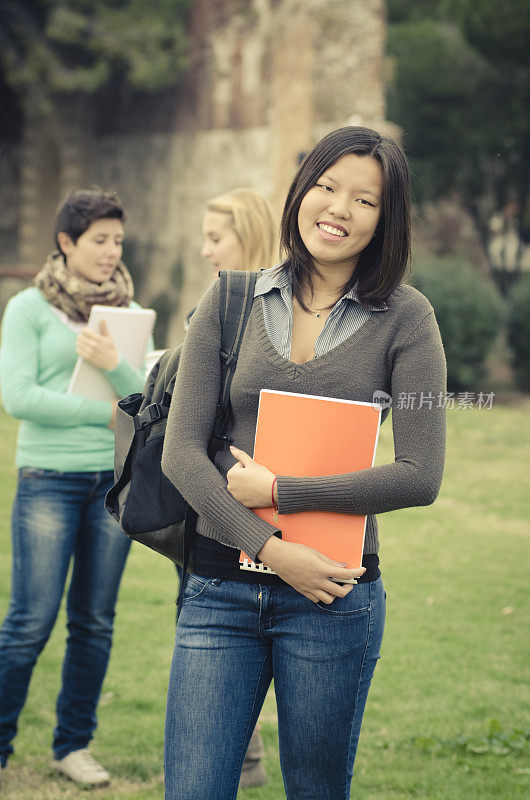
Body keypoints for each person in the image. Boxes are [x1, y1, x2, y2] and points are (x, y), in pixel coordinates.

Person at [161, 127, 447, 800]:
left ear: (387, 218)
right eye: (325, 186)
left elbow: (419, 473)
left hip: (332, 598)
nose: (338, 209)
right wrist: (270, 546)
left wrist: (281, 490)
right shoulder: (230, 299)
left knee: (316, 790)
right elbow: (181, 452)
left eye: (364, 200)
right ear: (300, 192)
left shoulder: (408, 319)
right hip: (219, 591)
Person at [0, 189, 151, 788]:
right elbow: (17, 398)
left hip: (111, 483)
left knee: (95, 620)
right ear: (66, 242)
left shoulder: (128, 310)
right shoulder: (29, 309)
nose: (112, 252)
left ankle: (73, 745)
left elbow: (141, 396)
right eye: (100, 240)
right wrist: (104, 412)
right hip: (47, 481)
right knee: (30, 621)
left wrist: (114, 364)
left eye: (118, 240)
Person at [187, 187, 278, 789]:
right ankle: (241, 760)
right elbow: (183, 441)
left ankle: (243, 759)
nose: (204, 250)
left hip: (277, 509)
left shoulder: (280, 313)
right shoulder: (216, 307)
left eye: (216, 238)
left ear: (248, 235)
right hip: (214, 509)